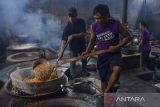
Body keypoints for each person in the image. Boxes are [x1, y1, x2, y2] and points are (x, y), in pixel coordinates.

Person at [82, 4, 131, 94]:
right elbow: (92, 41)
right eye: (95, 18)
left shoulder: (115, 24)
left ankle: (107, 90)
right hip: (102, 55)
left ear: (107, 16)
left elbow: (128, 37)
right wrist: (87, 51)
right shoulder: (94, 26)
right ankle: (106, 96)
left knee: (117, 69)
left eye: (100, 18)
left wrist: (117, 47)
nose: (97, 21)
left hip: (114, 53)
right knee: (103, 79)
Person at [58, 7, 88, 79]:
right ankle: (74, 79)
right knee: (72, 64)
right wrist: (61, 51)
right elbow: (63, 40)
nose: (71, 18)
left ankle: (85, 76)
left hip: (82, 46)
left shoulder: (81, 22)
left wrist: (73, 36)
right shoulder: (67, 27)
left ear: (76, 15)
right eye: (70, 16)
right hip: (73, 49)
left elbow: (84, 33)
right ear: (68, 16)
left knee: (84, 61)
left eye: (73, 16)